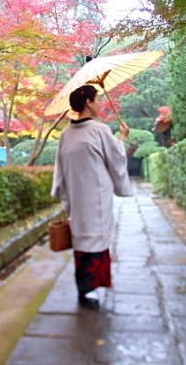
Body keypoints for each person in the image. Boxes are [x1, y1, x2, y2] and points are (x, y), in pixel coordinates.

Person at [51, 84, 133, 309]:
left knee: (90, 241)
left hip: (87, 197)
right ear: (88, 102)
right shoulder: (98, 130)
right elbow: (116, 160)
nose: (100, 103)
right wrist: (122, 139)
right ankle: (88, 289)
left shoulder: (70, 134)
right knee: (88, 240)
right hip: (89, 196)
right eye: (97, 99)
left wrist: (63, 194)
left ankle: (88, 288)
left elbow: (60, 170)